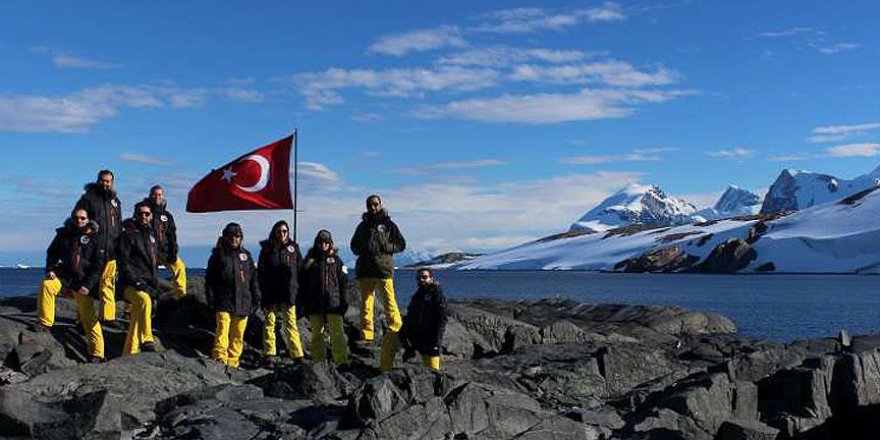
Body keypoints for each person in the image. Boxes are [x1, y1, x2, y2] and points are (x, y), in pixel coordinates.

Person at [32, 208, 106, 362]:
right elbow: (51, 253)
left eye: (82, 218)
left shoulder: (95, 238)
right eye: (76, 217)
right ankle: (45, 322)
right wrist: (50, 269)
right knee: (47, 285)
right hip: (64, 276)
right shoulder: (63, 234)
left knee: (89, 318)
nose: (79, 220)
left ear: (88, 219)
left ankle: (97, 353)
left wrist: (88, 285)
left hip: (82, 281)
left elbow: (98, 266)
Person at [349, 195, 406, 369]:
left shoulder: (389, 225)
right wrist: (363, 250)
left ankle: (396, 330)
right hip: (365, 269)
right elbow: (353, 245)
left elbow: (401, 244)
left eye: (375, 204)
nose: (373, 207)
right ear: (367, 207)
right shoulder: (363, 226)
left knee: (389, 301)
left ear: (380, 205)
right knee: (366, 303)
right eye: (370, 205)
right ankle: (367, 334)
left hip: (383, 269)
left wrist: (386, 247)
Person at [205, 223, 259, 369]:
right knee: (223, 327)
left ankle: (233, 360)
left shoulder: (246, 256)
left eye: (237, 236)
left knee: (238, 333)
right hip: (223, 299)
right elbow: (210, 280)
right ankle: (219, 356)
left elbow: (253, 278)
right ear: (225, 237)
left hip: (243, 300)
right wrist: (211, 299)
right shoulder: (218, 255)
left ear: (241, 238)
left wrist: (256, 298)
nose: (234, 239)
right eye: (231, 236)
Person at [74, 170, 123, 324]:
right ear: (97, 181)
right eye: (102, 180)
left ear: (112, 182)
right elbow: (77, 219)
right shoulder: (88, 199)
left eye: (108, 181)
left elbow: (119, 225)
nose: (105, 183)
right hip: (91, 248)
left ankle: (107, 317)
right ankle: (81, 319)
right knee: (85, 282)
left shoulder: (115, 201)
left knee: (108, 283)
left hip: (111, 248)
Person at [257, 220, 304, 365]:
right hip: (271, 292)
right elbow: (261, 272)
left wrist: (299, 290)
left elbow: (300, 269)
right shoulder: (267, 249)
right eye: (279, 231)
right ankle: (269, 353)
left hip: (288, 292)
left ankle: (296, 354)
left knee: (290, 323)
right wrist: (262, 291)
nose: (282, 234)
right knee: (269, 323)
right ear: (274, 232)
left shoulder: (294, 248)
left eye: (285, 231)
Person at [300, 230, 350, 366]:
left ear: (330, 243)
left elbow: (343, 282)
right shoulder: (310, 261)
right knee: (317, 335)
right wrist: (304, 303)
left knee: (337, 334)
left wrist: (344, 302)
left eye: (326, 242)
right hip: (314, 304)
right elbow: (303, 282)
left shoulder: (337, 260)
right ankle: (319, 361)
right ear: (317, 243)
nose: (323, 244)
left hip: (333, 303)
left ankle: (341, 361)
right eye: (321, 242)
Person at [118, 201, 160, 355]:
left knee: (137, 316)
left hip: (148, 284)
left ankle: (129, 352)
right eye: (141, 213)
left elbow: (154, 262)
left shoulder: (151, 236)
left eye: (147, 214)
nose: (144, 216)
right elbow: (124, 263)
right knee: (144, 300)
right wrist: (138, 283)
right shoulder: (128, 235)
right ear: (135, 215)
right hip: (130, 285)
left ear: (151, 216)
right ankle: (147, 338)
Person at [399, 268, 448, 372]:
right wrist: (404, 333)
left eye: (424, 277)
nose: (421, 280)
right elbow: (410, 316)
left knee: (434, 371)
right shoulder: (417, 296)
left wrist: (436, 342)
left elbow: (442, 319)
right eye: (418, 278)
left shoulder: (437, 294)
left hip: (430, 339)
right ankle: (385, 370)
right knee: (389, 341)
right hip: (416, 337)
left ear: (431, 278)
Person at [143, 185, 187, 298]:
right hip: (148, 251)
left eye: (159, 195)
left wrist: (173, 251)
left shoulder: (167, 216)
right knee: (142, 276)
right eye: (154, 194)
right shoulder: (144, 213)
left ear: (163, 197)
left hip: (164, 252)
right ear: (150, 195)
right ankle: (129, 308)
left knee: (180, 267)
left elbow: (172, 235)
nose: (157, 197)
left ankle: (181, 297)